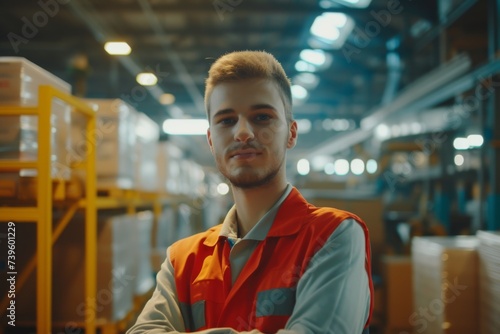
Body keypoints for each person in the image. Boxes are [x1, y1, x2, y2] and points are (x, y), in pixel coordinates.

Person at [127, 51, 374, 334]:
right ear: (211, 140)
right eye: (226, 120)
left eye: (261, 117)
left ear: (291, 133)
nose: (243, 133)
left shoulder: (332, 236)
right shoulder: (183, 259)